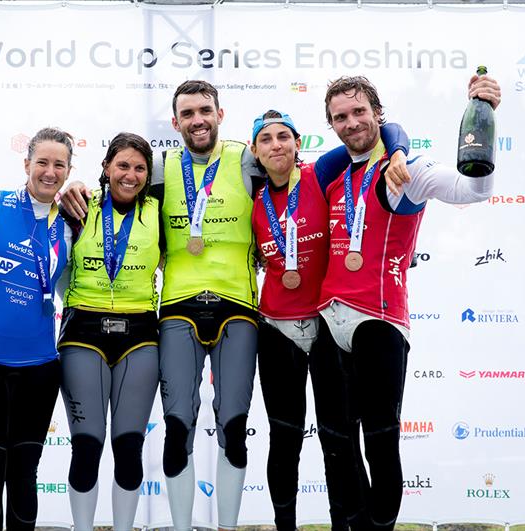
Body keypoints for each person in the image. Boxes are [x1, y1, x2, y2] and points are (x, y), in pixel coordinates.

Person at [61, 80, 408, 530]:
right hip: (179, 311)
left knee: (234, 432)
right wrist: (76, 185)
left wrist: (397, 144)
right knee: (178, 429)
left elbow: (360, 144)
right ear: (176, 123)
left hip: (241, 311)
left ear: (220, 115)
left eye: (205, 110)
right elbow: (117, 190)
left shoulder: (248, 158)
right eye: (187, 114)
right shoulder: (162, 169)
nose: (197, 120)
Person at [310, 74, 501, 530]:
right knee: (335, 446)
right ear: (331, 124)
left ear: (379, 113)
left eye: (360, 112)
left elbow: (476, 191)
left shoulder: (407, 170)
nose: (351, 123)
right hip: (327, 321)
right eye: (340, 117)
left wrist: (487, 117)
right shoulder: (331, 173)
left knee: (379, 442)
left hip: (379, 322)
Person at [249, 110, 408, 531]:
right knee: (283, 439)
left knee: (337, 442)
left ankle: (345, 525)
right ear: (255, 151)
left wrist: (399, 151)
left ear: (298, 142)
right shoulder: (252, 195)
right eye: (266, 139)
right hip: (275, 328)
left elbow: (382, 130)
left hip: (325, 327)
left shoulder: (322, 176)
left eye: (284, 136)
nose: (276, 145)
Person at [0, 127, 73, 531]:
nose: (50, 171)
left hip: (40, 369)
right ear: (26, 165)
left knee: (24, 473)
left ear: (69, 170)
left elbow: (74, 288)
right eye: (42, 162)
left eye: (59, 164)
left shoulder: (72, 226)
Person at [57, 132, 160, 531]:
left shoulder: (159, 209)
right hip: (83, 331)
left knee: (129, 445)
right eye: (122, 165)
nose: (130, 175)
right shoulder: (79, 207)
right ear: (105, 168)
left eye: (139, 168)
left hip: (140, 335)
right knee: (86, 445)